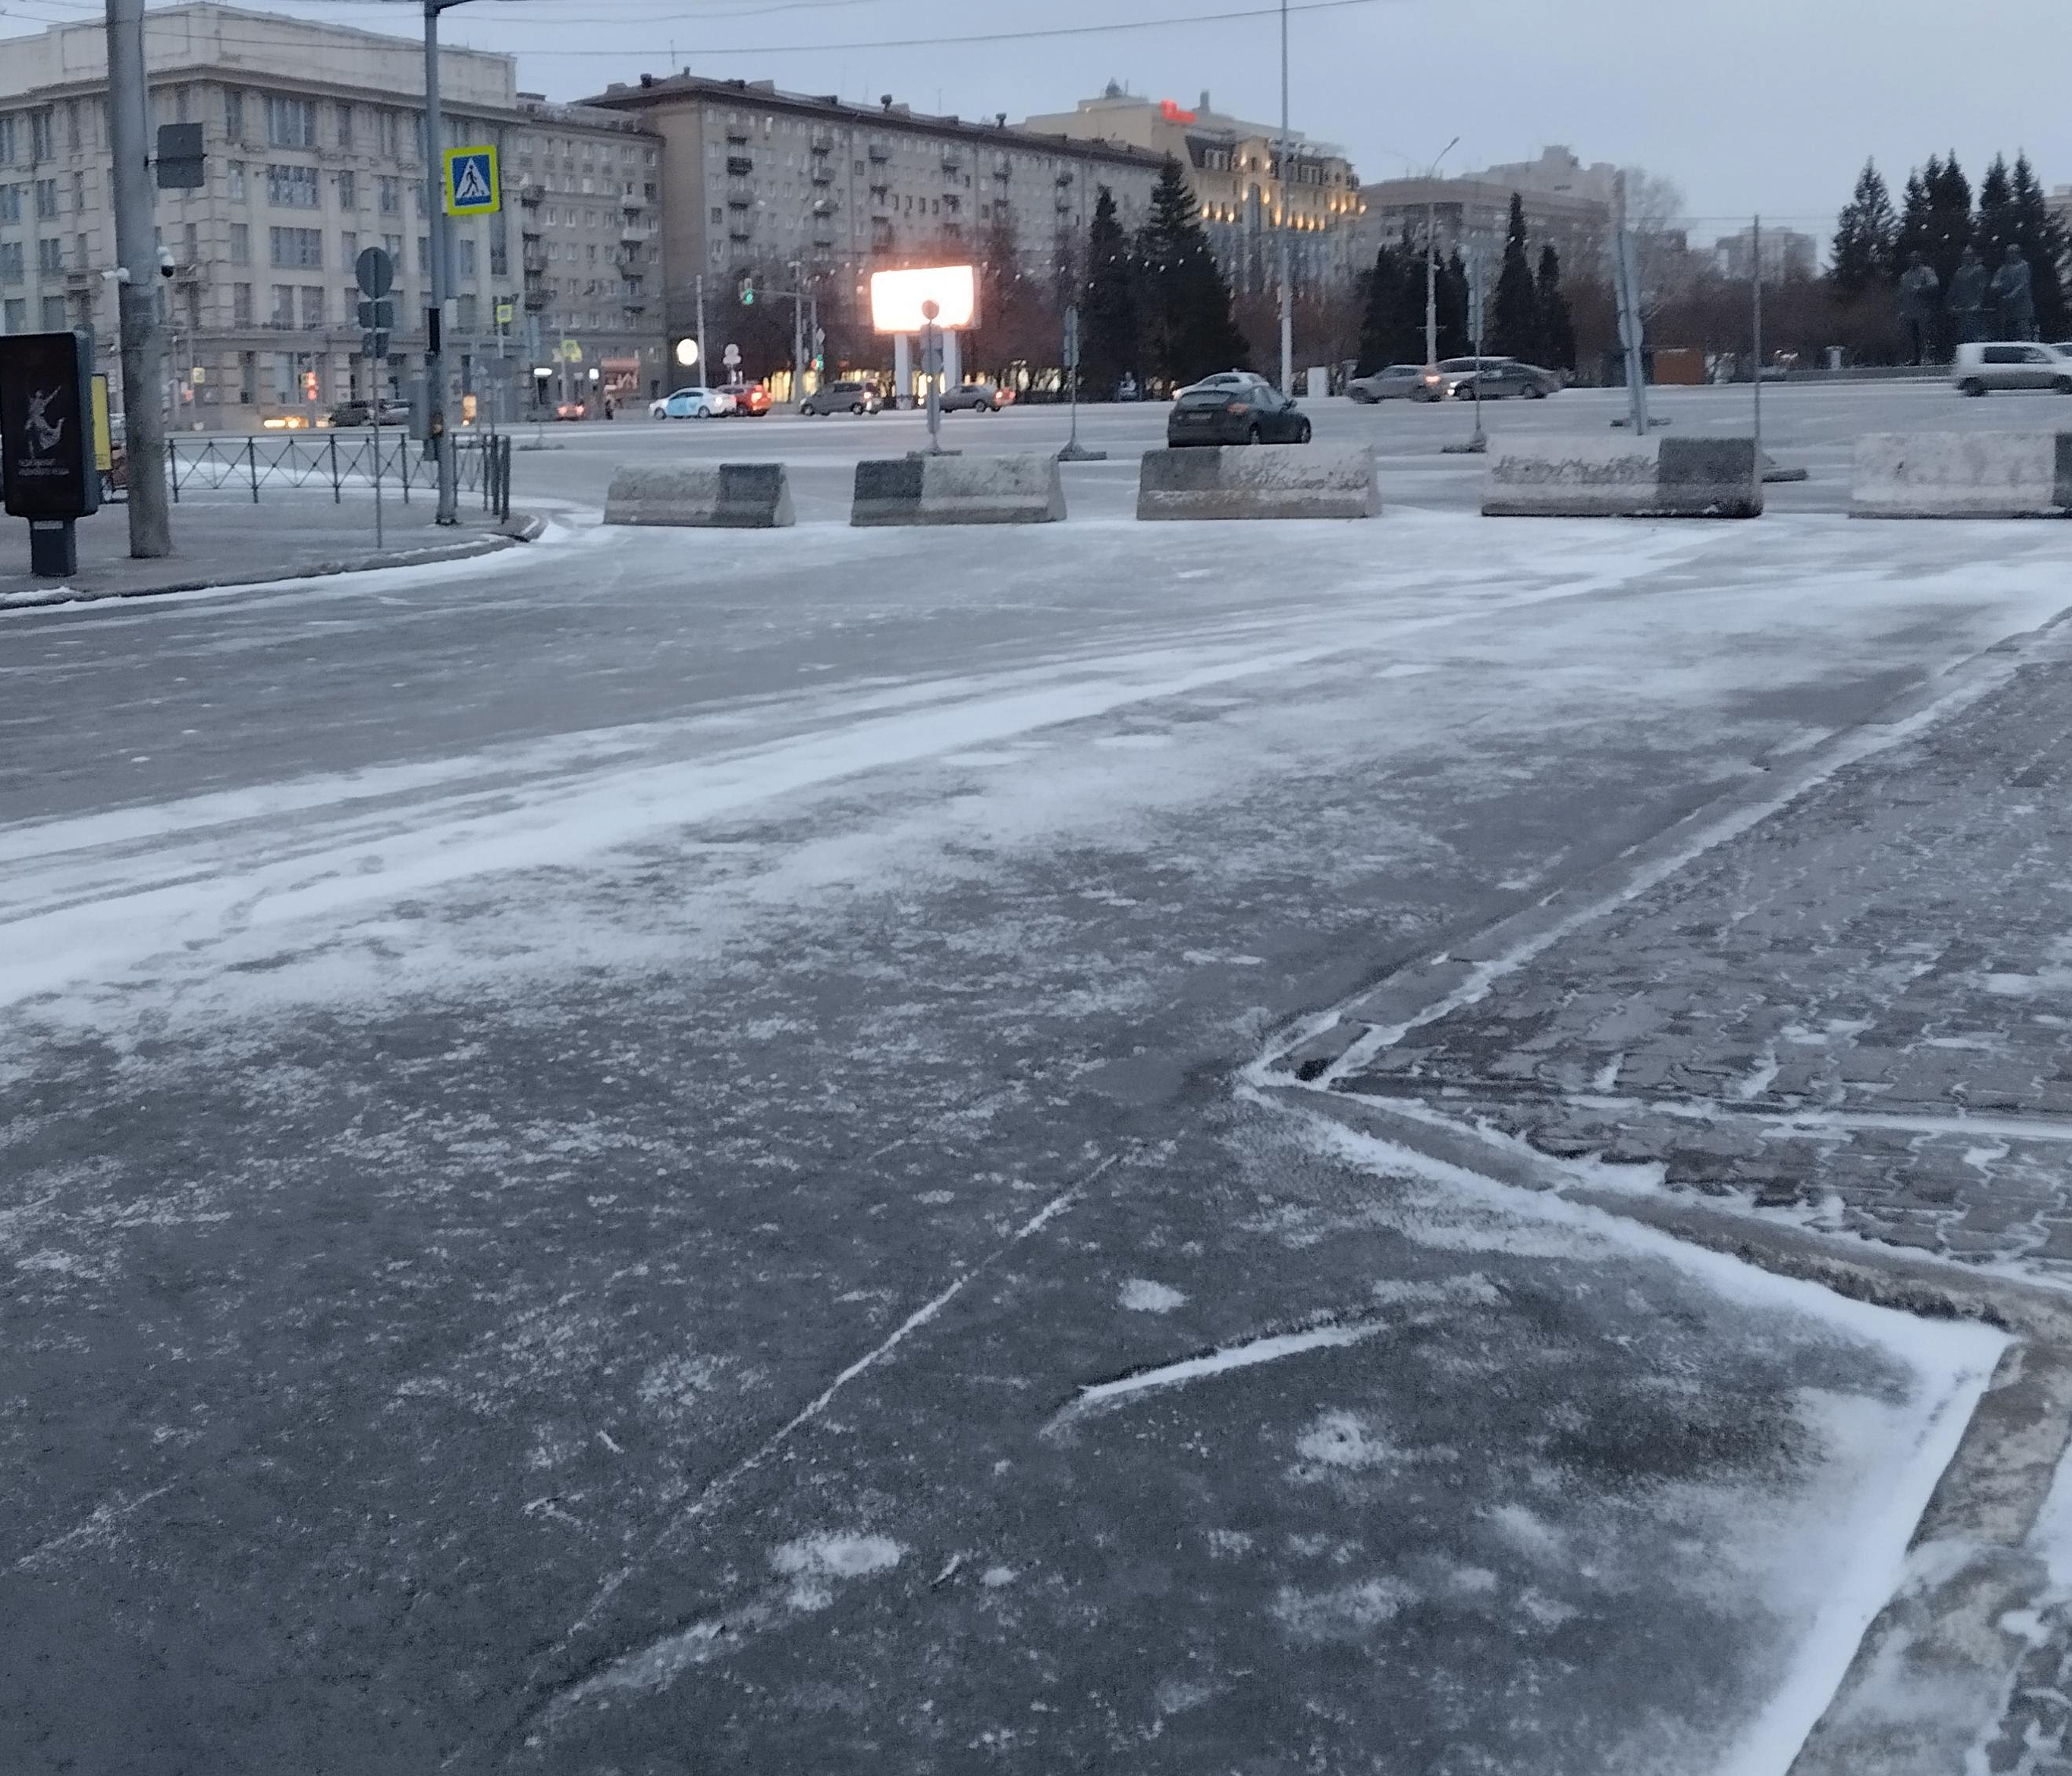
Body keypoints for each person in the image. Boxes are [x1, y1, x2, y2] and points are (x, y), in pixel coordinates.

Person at [1897, 251, 1941, 365]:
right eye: (1911, 258)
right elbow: (1901, 294)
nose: (1913, 260)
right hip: (1910, 310)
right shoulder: (1905, 276)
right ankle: (1915, 358)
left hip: (1924, 309)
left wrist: (1921, 289)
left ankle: (1928, 357)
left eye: (1916, 257)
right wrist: (1901, 309)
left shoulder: (1927, 271)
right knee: (1912, 336)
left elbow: (1935, 285)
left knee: (1925, 335)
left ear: (1920, 258)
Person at [1990, 245, 2037, 342]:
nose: (2010, 255)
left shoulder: (2024, 266)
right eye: (2008, 253)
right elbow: (1994, 284)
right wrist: (1999, 287)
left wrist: (2011, 295)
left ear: (2018, 254)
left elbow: (2022, 284)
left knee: (2024, 332)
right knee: (2008, 333)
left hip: (2022, 307)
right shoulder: (2003, 268)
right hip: (2007, 309)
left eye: (2013, 253)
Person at [1946, 246, 1990, 345]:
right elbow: (1953, 289)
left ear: (1973, 256)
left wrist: (1977, 304)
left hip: (1974, 309)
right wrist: (1951, 304)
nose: (1966, 257)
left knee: (1974, 335)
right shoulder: (1959, 271)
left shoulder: (1980, 269)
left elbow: (1982, 288)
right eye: (1965, 255)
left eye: (1969, 255)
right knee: (1962, 336)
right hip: (1961, 309)